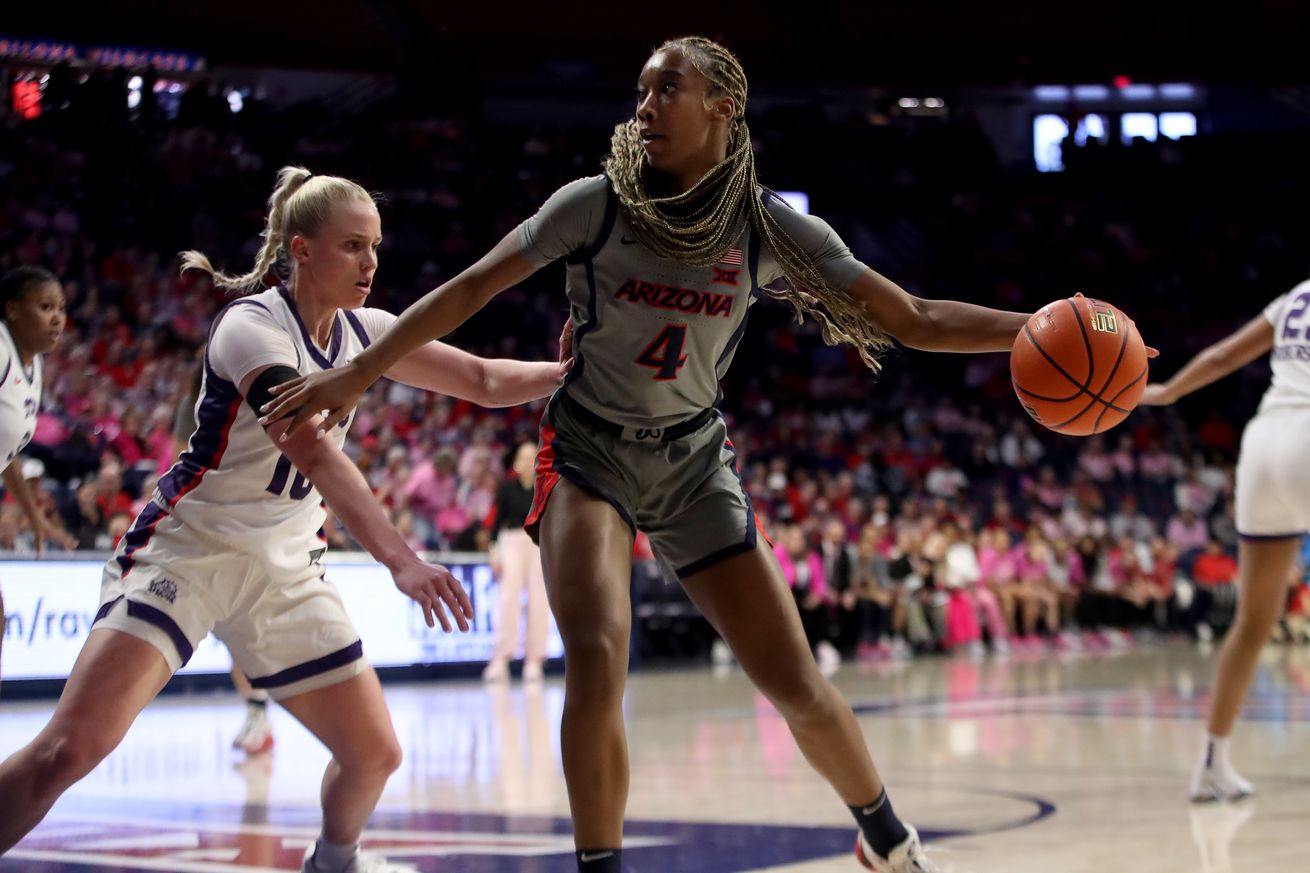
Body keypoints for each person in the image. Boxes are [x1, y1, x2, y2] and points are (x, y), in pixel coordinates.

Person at [261, 38, 1033, 873]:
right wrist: (358, 372)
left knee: (795, 681)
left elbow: (911, 317)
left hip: (695, 462)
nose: (646, 105)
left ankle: (883, 833)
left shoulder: (767, 225)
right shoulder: (593, 205)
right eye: (641, 90)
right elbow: (470, 288)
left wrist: (1033, 328)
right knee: (596, 656)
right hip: (588, 450)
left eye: (669, 89)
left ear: (722, 109)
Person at [0, 166, 567, 873]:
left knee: (374, 753)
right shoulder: (249, 324)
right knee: (69, 750)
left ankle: (335, 861)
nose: (371, 263)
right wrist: (400, 557)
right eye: (353, 246)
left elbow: (481, 379)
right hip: (190, 551)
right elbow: (312, 449)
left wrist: (561, 373)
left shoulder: (371, 331)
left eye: (377, 247)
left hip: (286, 566)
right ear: (302, 250)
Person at [1141, 278, 1310, 803]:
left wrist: (1166, 392)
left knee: (1253, 621)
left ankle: (1212, 765)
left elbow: (1219, 357)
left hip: (1263, 444)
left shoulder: (1297, 294)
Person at [173, 351, 275, 754]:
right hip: (208, 523)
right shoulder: (192, 403)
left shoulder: (263, 392)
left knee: (246, 630)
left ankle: (258, 712)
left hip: (258, 525)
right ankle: (256, 711)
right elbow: (180, 459)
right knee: (232, 629)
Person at [0, 266, 75, 685]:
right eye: (44, 307)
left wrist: (31, 514)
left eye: (61, 308)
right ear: (12, 310)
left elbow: (5, 450)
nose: (57, 318)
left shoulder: (34, 367)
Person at [482, 441, 551, 682]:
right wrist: (493, 550)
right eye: (523, 457)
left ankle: (535, 660)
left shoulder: (544, 489)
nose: (528, 461)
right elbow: (496, 522)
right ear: (515, 463)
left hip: (538, 544)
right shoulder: (507, 489)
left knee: (539, 600)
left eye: (533, 457)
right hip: (511, 541)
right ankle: (501, 658)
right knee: (508, 599)